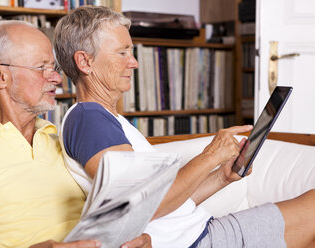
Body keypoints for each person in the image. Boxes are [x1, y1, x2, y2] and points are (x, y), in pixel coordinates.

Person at [53, 5, 315, 248]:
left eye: (131, 51)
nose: (133, 62)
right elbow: (140, 204)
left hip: (200, 233)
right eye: (122, 52)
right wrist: (210, 155)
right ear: (85, 62)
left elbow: (164, 208)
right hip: (197, 241)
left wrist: (221, 177)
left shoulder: (109, 120)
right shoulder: (89, 117)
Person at [0, 20, 151, 248]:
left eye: (54, 68)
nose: (57, 79)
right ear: (0, 76)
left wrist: (143, 240)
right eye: (42, 68)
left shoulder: (67, 141)